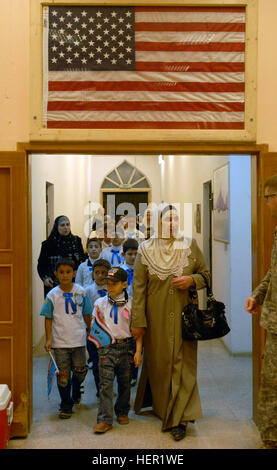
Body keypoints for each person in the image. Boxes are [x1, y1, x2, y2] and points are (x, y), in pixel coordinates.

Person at [130, 203, 209, 441]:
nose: (172, 224)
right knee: (161, 367)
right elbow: (139, 290)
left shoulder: (190, 246)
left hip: (185, 320)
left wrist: (192, 280)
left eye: (175, 219)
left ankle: (180, 419)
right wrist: (138, 323)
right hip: (156, 321)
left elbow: (205, 275)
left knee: (182, 367)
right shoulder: (145, 249)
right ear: (158, 223)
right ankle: (164, 408)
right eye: (167, 220)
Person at [245, 174, 277, 450]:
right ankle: (270, 438)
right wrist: (258, 295)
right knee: (270, 383)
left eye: (268, 198)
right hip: (274, 323)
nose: (266, 204)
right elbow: (273, 272)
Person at [40, 258, 92, 419]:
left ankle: (76, 390)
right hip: (60, 342)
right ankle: (65, 404)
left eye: (68, 272)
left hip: (78, 340)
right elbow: (48, 317)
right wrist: (48, 339)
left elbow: (86, 313)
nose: (65, 275)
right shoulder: (52, 295)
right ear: (56, 274)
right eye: (61, 272)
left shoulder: (81, 291)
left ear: (74, 273)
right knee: (63, 375)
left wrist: (90, 330)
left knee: (80, 370)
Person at [93, 267, 143, 434]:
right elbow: (95, 328)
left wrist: (138, 351)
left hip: (127, 347)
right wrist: (99, 347)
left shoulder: (131, 304)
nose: (110, 287)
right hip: (107, 348)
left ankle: (122, 411)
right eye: (107, 283)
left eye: (114, 284)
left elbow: (138, 330)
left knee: (125, 382)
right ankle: (104, 419)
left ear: (124, 284)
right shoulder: (100, 303)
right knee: (105, 384)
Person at [37, 215, 85, 297]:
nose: (66, 227)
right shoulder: (47, 244)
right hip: (53, 284)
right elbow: (41, 265)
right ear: (57, 227)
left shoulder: (76, 241)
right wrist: (45, 278)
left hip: (74, 283)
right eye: (62, 225)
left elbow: (82, 261)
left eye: (68, 224)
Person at [85, 258, 111, 398]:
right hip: (93, 332)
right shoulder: (87, 291)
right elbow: (85, 312)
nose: (100, 275)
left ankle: (108, 389)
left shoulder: (113, 289)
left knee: (108, 364)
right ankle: (99, 390)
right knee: (96, 363)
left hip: (109, 332)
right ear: (93, 274)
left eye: (104, 272)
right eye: (97, 272)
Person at [121, 238, 140, 386]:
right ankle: (123, 372)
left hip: (138, 311)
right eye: (130, 254)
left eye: (136, 254)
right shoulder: (119, 272)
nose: (133, 257)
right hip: (124, 312)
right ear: (123, 254)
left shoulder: (142, 271)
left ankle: (134, 374)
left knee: (137, 344)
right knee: (126, 344)